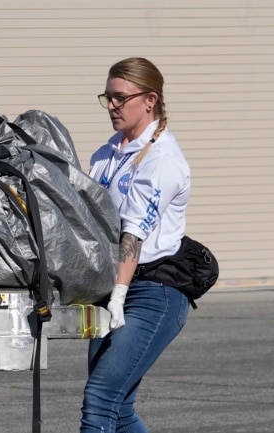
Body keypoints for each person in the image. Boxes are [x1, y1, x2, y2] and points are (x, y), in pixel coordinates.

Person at [80, 57, 191, 432]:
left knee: (101, 399)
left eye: (120, 97)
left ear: (150, 100)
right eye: (107, 97)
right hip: (113, 285)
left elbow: (134, 233)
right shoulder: (107, 153)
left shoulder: (163, 159)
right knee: (119, 406)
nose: (112, 105)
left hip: (152, 292)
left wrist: (119, 294)